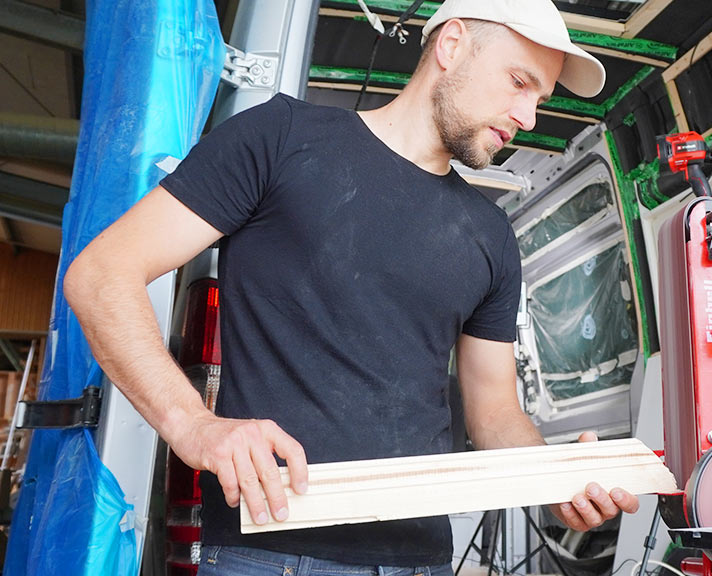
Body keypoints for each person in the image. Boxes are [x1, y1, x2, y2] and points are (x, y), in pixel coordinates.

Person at [64, 0, 639, 573]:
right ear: (452, 44)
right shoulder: (281, 138)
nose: (529, 115)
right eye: (520, 82)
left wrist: (553, 478)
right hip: (269, 554)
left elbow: (494, 414)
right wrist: (194, 426)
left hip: (422, 561)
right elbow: (103, 274)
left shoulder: (491, 234)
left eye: (539, 98)